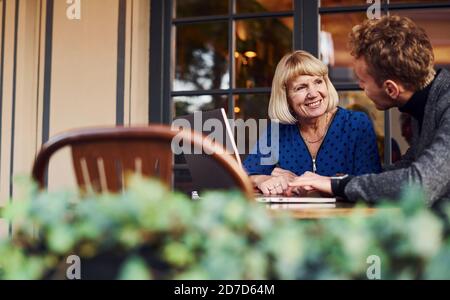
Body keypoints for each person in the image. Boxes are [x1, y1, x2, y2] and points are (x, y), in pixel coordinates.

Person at [288, 15, 450, 207]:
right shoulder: (427, 102)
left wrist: (338, 185)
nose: (359, 86)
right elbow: (409, 166)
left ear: (391, 89)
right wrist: (337, 181)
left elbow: (420, 184)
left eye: (362, 81)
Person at [243, 50, 381, 195]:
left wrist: (325, 184)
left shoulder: (356, 124)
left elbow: (371, 186)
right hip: (293, 216)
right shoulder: (278, 130)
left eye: (318, 82)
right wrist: (265, 178)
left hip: (348, 216)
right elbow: (245, 174)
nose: (313, 93)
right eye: (301, 88)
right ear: (286, 97)